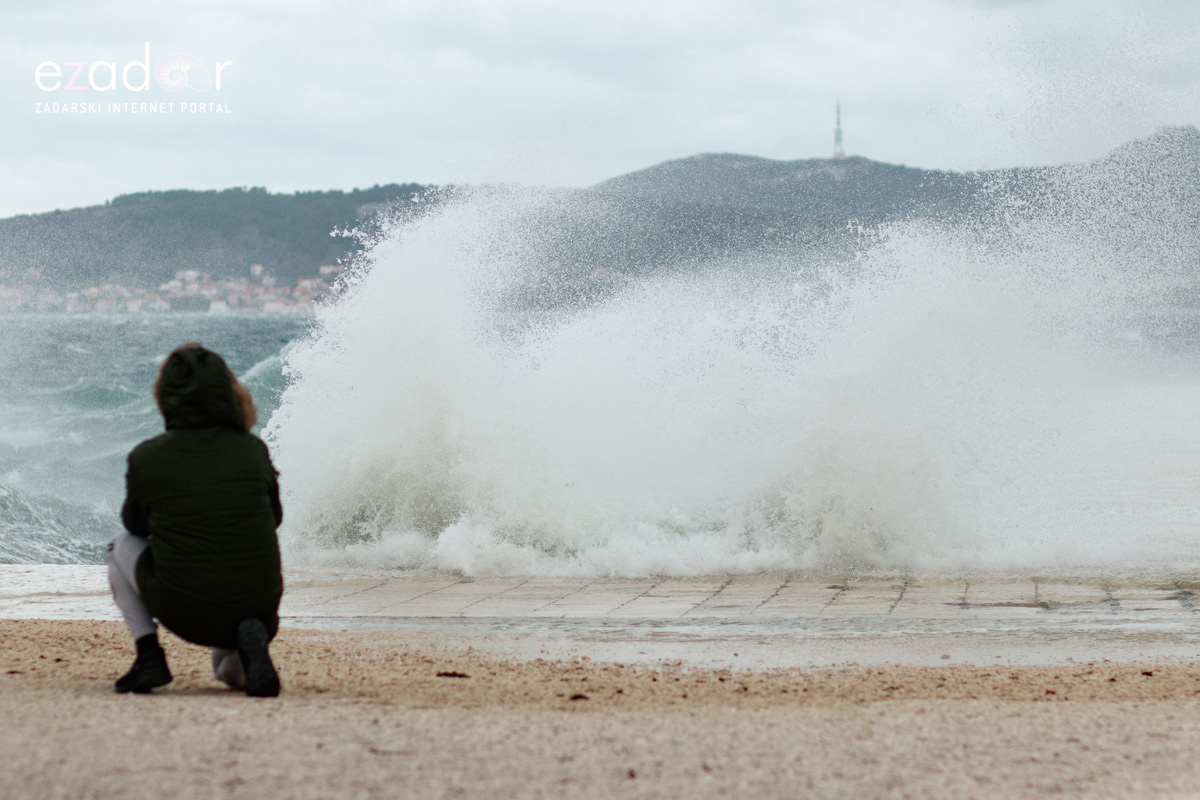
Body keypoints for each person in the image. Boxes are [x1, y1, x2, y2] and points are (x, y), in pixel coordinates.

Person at [106, 343, 284, 697]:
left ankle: (149, 656)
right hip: (261, 606)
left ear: (166, 397)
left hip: (189, 613)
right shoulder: (254, 451)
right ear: (227, 391)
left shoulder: (148, 457)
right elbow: (274, 518)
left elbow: (136, 527)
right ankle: (248, 640)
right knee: (230, 674)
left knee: (117, 546)